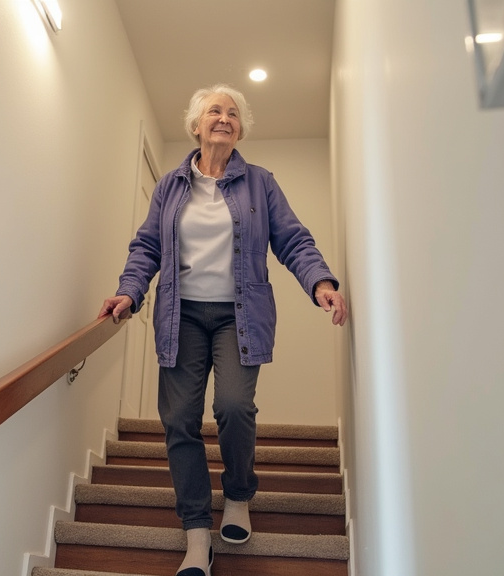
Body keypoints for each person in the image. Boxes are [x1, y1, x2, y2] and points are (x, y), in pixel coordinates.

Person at [98, 84, 348, 576]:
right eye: (214, 110)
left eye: (233, 113)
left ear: (239, 129)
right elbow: (146, 247)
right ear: (196, 125)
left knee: (234, 405)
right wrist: (129, 292)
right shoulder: (171, 187)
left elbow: (293, 239)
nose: (224, 118)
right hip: (180, 315)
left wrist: (319, 280)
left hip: (240, 314)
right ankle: (196, 534)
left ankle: (237, 496)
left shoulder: (260, 183)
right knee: (178, 419)